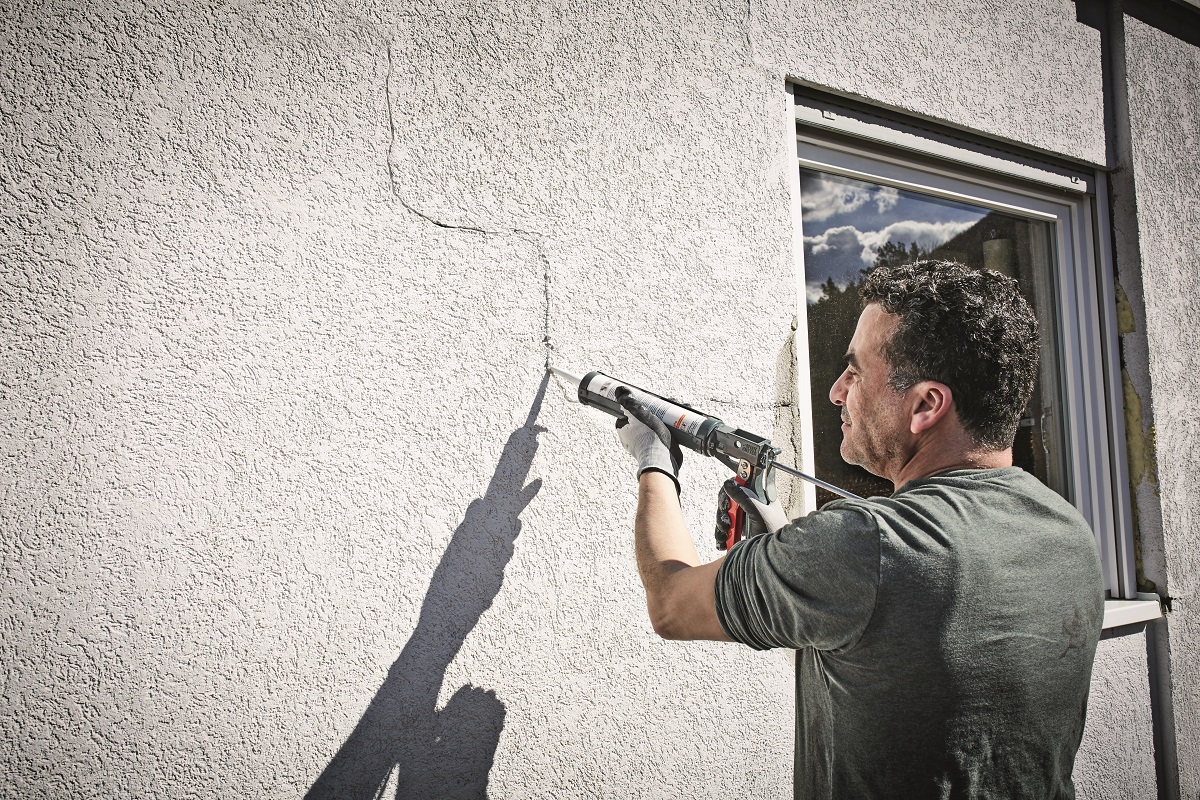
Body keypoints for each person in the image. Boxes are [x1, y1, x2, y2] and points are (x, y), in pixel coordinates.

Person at [613, 260, 1104, 799]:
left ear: (926, 405)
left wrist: (653, 457)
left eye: (854, 371)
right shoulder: (1068, 529)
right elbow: (890, 635)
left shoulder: (864, 545)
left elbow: (671, 603)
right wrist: (779, 542)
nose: (835, 392)